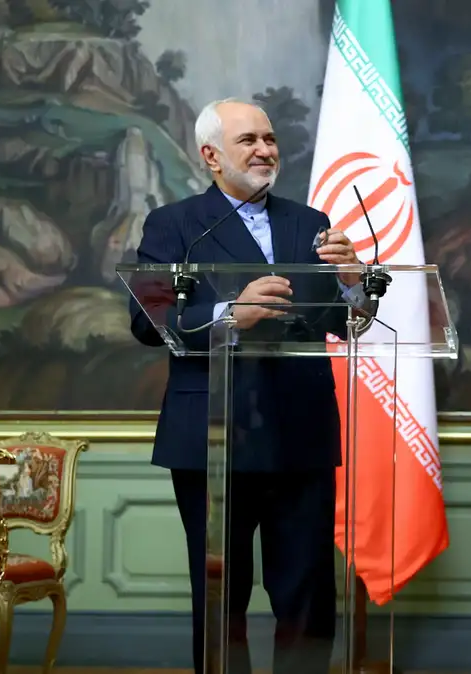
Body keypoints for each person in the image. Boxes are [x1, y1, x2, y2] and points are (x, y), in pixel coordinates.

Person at [128, 98, 368, 674]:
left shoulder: (309, 222)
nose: (265, 150)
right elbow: (147, 321)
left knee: (308, 597)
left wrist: (354, 284)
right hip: (213, 437)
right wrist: (230, 313)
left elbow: (345, 323)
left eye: (270, 138)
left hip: (302, 434)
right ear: (211, 156)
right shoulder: (174, 224)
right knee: (221, 598)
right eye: (249, 141)